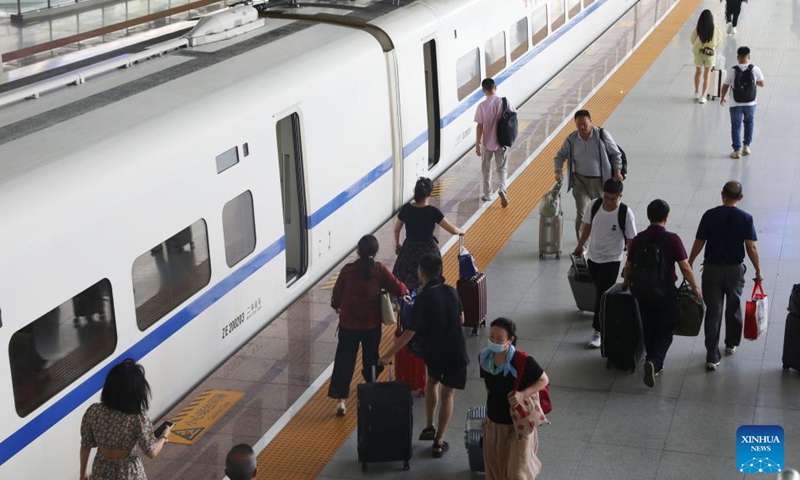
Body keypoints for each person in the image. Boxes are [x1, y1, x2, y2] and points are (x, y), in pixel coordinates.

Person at [380, 253, 469, 458]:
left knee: (432, 382)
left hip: (435, 351)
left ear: (421, 272)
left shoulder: (423, 298)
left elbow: (410, 332)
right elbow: (462, 319)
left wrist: (389, 354)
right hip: (456, 351)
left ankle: (429, 426)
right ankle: (439, 442)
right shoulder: (451, 291)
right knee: (448, 394)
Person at [623, 200, 701, 388]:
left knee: (648, 325)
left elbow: (628, 266)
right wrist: (695, 287)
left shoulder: (639, 239)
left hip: (642, 291)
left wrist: (626, 283)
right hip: (665, 291)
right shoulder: (672, 239)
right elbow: (685, 267)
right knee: (666, 329)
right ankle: (655, 362)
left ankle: (652, 360)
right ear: (666, 217)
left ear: (648, 216)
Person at [329, 234, 407, 416]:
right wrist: (405, 290)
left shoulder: (348, 270)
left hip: (348, 325)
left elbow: (337, 295)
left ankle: (341, 401)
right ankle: (370, 391)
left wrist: (337, 305)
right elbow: (399, 289)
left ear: (358, 251)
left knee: (344, 360)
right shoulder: (379, 270)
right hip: (371, 325)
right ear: (375, 251)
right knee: (371, 359)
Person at [688, 182, 762, 371]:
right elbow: (751, 247)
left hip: (712, 270)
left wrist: (690, 261)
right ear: (741, 197)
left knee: (714, 311)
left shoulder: (710, 215)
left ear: (722, 194)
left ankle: (712, 356)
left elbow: (699, 241)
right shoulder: (746, 218)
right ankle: (731, 342)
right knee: (733, 306)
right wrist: (758, 270)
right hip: (735, 271)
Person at [479, 318, 549, 480]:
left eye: (499, 339)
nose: (494, 341)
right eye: (491, 337)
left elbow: (544, 380)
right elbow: (489, 388)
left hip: (518, 425)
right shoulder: (485, 359)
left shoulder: (522, 361)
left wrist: (522, 394)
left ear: (510, 340)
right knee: (496, 470)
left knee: (517, 474)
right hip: (494, 423)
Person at [80, 359, 170, 480]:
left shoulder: (94, 411)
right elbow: (151, 452)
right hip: (128, 474)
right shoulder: (137, 417)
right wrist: (164, 437)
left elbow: (85, 446)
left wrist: (82, 474)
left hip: (100, 471)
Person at [573, 179, 637, 348]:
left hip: (612, 260)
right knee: (597, 288)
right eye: (606, 197)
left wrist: (629, 264)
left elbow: (631, 241)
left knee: (603, 293)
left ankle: (598, 330)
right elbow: (587, 227)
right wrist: (580, 246)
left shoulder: (625, 213)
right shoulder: (594, 205)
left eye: (612, 199)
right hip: (593, 257)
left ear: (620, 197)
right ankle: (601, 314)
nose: (608, 202)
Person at [554, 110, 624, 239]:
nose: (582, 127)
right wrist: (558, 170)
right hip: (579, 182)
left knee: (600, 212)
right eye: (578, 124)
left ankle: (599, 239)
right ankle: (582, 245)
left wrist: (617, 171)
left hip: (599, 182)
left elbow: (615, 154)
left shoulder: (601, 135)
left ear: (591, 121)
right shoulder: (572, 139)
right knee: (582, 213)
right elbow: (560, 156)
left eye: (584, 124)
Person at [393, 177, 465, 291]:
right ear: (429, 194)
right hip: (428, 250)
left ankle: (409, 296)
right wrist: (461, 231)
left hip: (409, 248)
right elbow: (452, 230)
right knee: (431, 275)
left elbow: (396, 229)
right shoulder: (433, 212)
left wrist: (398, 245)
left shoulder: (406, 208)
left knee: (404, 275)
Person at [475, 77, 516, 206]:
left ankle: (487, 194)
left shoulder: (482, 106)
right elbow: (513, 117)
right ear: (495, 88)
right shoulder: (505, 102)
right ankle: (502, 189)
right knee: (502, 168)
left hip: (487, 142)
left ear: (484, 90)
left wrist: (477, 144)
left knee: (486, 168)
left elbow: (479, 126)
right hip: (502, 142)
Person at [720, 46, 765, 159]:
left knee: (736, 126)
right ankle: (746, 146)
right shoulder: (755, 69)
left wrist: (722, 98)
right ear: (749, 56)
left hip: (735, 103)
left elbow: (725, 86)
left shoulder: (732, 70)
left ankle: (736, 151)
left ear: (737, 57)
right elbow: (762, 84)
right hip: (751, 103)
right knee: (749, 123)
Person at [690, 9, 723, 103]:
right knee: (706, 75)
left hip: (699, 53)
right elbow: (719, 42)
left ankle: (696, 92)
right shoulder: (715, 29)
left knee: (698, 72)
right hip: (710, 54)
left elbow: (692, 39)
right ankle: (703, 96)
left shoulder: (698, 28)